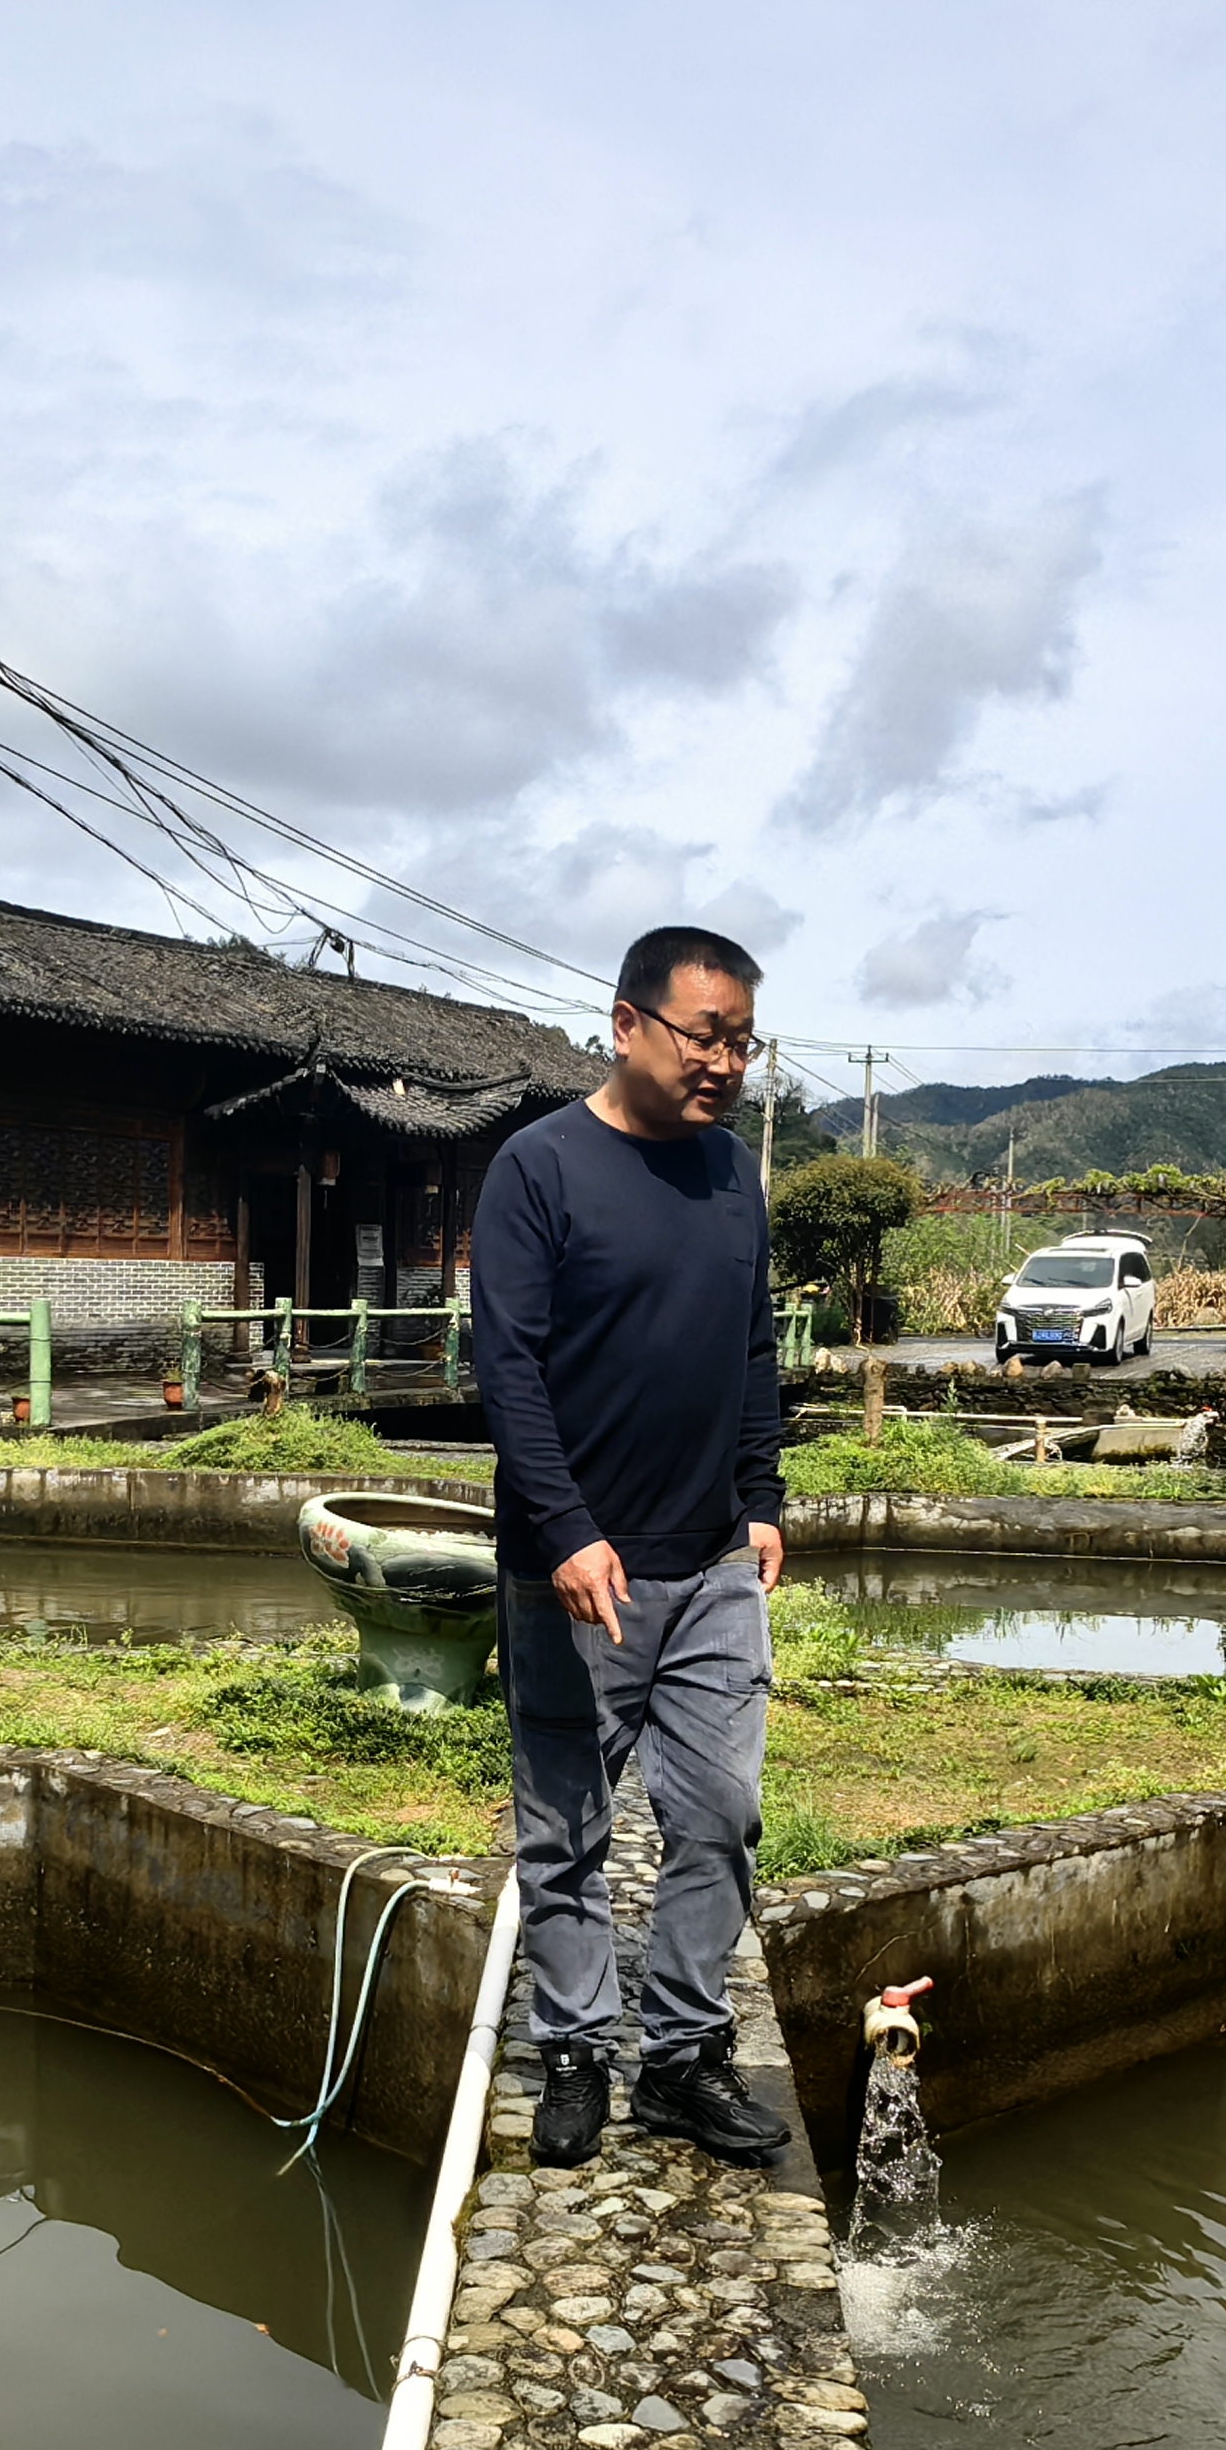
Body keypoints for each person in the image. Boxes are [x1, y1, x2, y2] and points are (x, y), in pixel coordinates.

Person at [470, 923, 792, 2171]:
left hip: (711, 1560)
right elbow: (508, 1371)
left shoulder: (728, 1175)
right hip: (574, 1575)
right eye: (703, 1034)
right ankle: (570, 2048)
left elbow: (752, 1349)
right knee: (564, 1826)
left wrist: (759, 1496)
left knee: (718, 1816)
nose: (722, 1062)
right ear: (626, 1024)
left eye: (741, 1042)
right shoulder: (537, 1168)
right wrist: (563, 1533)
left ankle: (680, 2059)